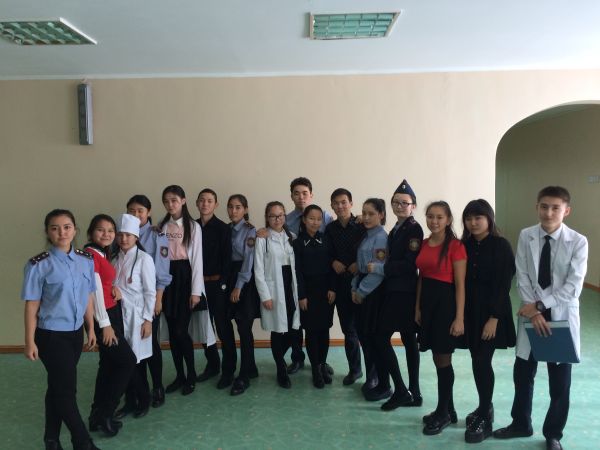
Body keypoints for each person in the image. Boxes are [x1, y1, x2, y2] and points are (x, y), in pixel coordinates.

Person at [494, 186, 588, 450]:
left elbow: (573, 287)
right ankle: (520, 423)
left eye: (555, 208)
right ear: (536, 207)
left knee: (560, 382)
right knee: (523, 374)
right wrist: (534, 311)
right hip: (531, 313)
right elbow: (522, 275)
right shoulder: (527, 235)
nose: (548, 213)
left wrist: (539, 305)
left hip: (560, 314)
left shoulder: (578, 241)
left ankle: (553, 434)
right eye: (544, 206)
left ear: (566, 211)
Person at [22, 209, 100, 450]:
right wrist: (29, 341)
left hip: (75, 333)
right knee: (66, 392)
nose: (62, 232)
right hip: (51, 335)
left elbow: (88, 296)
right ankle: (82, 442)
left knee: (57, 386)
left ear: (75, 230)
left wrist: (91, 328)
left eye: (67, 227)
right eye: (55, 228)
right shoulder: (39, 264)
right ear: (48, 232)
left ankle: (51, 439)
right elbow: (32, 305)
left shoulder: (85, 260)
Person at [459, 199, 516, 443]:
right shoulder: (464, 245)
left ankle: (485, 415)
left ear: (489, 219)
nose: (473, 223)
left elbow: (504, 285)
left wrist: (494, 318)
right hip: (470, 312)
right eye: (469, 218)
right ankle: (485, 406)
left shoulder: (501, 245)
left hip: (493, 313)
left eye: (478, 218)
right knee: (477, 360)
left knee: (482, 360)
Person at [369, 180, 423, 409]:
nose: (400, 206)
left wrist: (382, 268)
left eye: (405, 203)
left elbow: (410, 264)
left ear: (413, 206)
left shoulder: (413, 229)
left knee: (381, 338)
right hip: (395, 290)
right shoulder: (396, 229)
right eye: (396, 202)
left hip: (403, 292)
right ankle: (414, 393)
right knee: (408, 341)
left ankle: (401, 390)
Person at [415, 201, 466, 436]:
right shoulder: (424, 243)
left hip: (445, 306)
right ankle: (449, 409)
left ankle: (443, 412)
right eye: (430, 216)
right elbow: (421, 277)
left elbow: (460, 286)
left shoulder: (456, 246)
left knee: (443, 359)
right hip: (428, 305)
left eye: (439, 217)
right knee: (437, 358)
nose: (434, 221)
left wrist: (459, 318)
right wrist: (418, 307)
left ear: (448, 220)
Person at [158, 185, 214, 396]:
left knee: (182, 331)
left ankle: (191, 375)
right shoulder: (162, 226)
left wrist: (195, 291)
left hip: (185, 277)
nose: (170, 204)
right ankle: (179, 375)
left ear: (183, 200)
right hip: (166, 278)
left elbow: (197, 260)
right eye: (166, 201)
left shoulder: (193, 226)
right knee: (173, 332)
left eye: (174, 200)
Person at [85, 214, 136, 437]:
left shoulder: (102, 253)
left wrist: (114, 287)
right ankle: (106, 413)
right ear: (90, 233)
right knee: (127, 361)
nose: (106, 234)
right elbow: (93, 290)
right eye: (100, 230)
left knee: (107, 365)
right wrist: (105, 324)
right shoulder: (90, 255)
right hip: (103, 317)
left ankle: (96, 415)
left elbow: (103, 283)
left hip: (111, 312)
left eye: (110, 230)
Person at [126, 195, 173, 408]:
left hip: (150, 297)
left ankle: (157, 387)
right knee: (132, 344)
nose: (136, 215)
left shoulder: (157, 235)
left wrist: (158, 300)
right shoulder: (123, 235)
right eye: (132, 211)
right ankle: (139, 389)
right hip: (128, 301)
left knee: (151, 343)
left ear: (149, 212)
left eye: (140, 211)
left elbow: (162, 272)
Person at [284, 177, 334, 375]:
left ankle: (321, 362)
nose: (301, 197)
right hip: (297, 279)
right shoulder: (286, 220)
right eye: (296, 193)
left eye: (305, 193)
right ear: (291, 196)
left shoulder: (326, 217)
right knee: (297, 324)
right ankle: (298, 358)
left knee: (321, 326)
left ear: (311, 195)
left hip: (321, 282)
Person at [113, 214, 156, 419]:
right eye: (120, 235)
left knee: (137, 363)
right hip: (119, 317)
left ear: (136, 237)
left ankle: (144, 400)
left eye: (128, 235)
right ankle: (129, 402)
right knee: (125, 362)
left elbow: (150, 292)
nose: (124, 239)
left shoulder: (144, 259)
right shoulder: (114, 259)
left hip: (137, 318)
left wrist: (148, 320)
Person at [254, 201, 301, 388]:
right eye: (273, 216)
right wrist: (265, 296)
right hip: (274, 290)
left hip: (290, 287)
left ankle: (285, 360)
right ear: (267, 217)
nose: (277, 219)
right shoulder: (262, 238)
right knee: (277, 331)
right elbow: (258, 270)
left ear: (285, 216)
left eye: (280, 215)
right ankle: (281, 369)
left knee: (292, 328)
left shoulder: (292, 237)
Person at [194, 188, 236, 390]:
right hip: (198, 285)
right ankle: (213, 365)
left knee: (223, 328)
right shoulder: (192, 227)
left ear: (216, 205)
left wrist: (223, 285)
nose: (205, 204)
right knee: (204, 326)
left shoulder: (223, 228)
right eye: (202, 200)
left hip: (218, 284)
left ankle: (228, 370)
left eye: (209, 201)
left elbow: (228, 259)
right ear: (196, 203)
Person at [293, 205, 336, 388]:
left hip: (325, 292)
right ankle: (315, 369)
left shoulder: (326, 240)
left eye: (319, 219)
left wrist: (333, 288)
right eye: (311, 218)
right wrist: (301, 295)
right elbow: (297, 271)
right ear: (304, 220)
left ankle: (322, 365)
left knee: (324, 330)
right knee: (311, 331)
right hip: (308, 293)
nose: (315, 222)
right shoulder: (297, 243)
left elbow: (332, 266)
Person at [325, 188, 365, 385]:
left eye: (344, 202)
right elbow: (326, 253)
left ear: (351, 203)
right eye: (336, 203)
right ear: (332, 206)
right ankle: (355, 370)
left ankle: (374, 374)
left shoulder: (361, 225)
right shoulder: (330, 229)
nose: (340, 206)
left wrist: (360, 263)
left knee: (365, 331)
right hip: (341, 284)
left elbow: (374, 247)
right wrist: (333, 261)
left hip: (362, 285)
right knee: (348, 330)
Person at [351, 198, 388, 398]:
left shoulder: (381, 238)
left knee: (372, 337)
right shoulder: (367, 236)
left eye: (371, 214)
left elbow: (377, 272)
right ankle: (372, 377)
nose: (366, 217)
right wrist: (353, 287)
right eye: (364, 213)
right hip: (362, 287)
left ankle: (378, 379)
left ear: (381, 215)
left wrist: (361, 291)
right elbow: (361, 267)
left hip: (373, 293)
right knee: (364, 336)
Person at [226, 194, 260, 396]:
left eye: (238, 207)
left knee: (244, 327)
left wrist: (238, 286)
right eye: (230, 207)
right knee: (237, 326)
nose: (233, 211)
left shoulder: (250, 231)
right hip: (229, 277)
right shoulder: (227, 229)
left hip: (244, 281)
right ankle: (251, 367)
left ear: (245, 209)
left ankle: (244, 375)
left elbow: (248, 261)